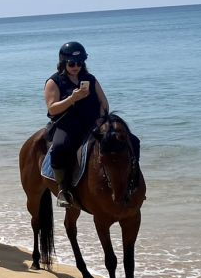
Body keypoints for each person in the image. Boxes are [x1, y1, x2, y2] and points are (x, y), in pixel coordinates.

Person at [44, 41, 139, 207]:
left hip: (94, 125)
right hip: (68, 126)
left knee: (133, 140)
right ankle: (64, 189)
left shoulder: (90, 79)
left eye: (79, 63)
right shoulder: (54, 81)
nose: (76, 67)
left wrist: (101, 119)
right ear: (63, 63)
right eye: (72, 63)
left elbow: (104, 103)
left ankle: (133, 179)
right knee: (59, 148)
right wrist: (72, 98)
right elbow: (52, 109)